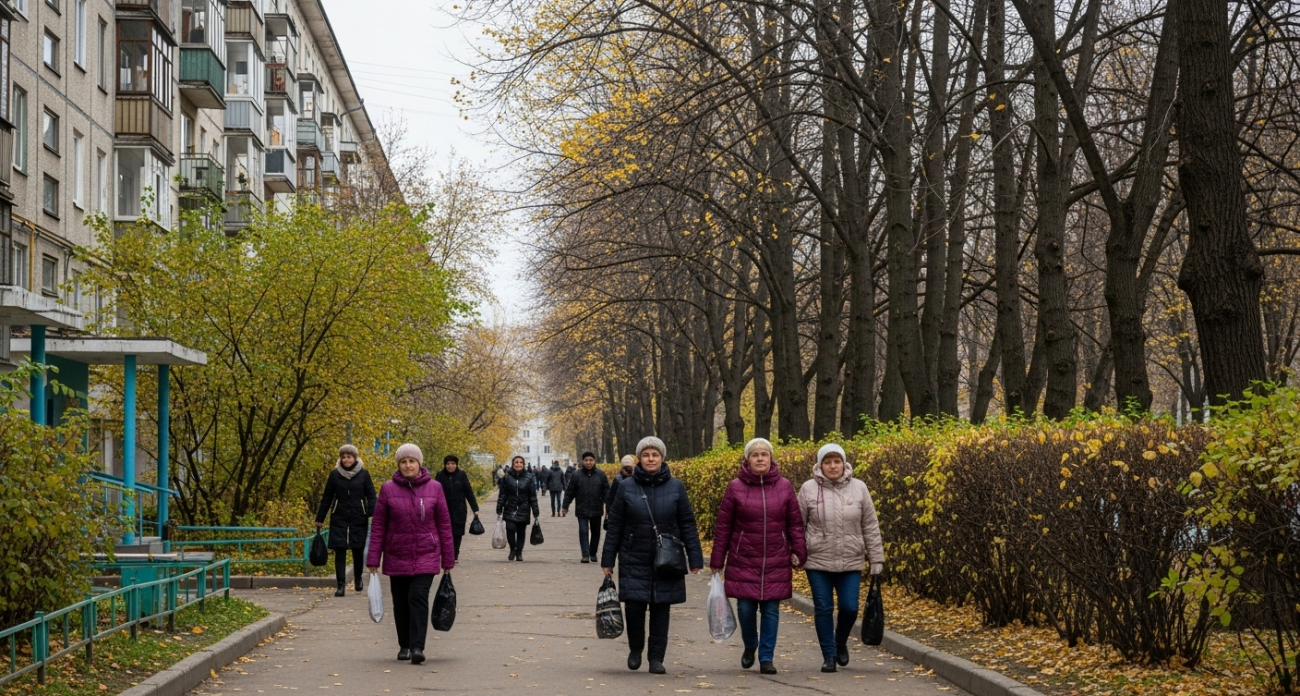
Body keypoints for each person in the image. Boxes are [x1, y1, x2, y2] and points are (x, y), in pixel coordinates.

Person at [602, 437, 704, 675]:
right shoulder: (627, 487)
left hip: (667, 559)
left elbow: (687, 523)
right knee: (634, 608)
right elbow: (615, 525)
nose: (651, 459)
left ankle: (656, 658)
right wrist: (608, 560)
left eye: (655, 455)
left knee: (661, 609)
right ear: (639, 458)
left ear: (662, 458)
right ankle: (636, 649)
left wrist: (695, 557)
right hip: (632, 556)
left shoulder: (676, 487)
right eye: (646, 455)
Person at [710, 438, 807, 675]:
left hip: (776, 558)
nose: (760, 458)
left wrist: (798, 550)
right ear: (747, 460)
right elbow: (724, 526)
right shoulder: (735, 487)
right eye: (755, 455)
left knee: (771, 610)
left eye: (765, 454)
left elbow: (794, 522)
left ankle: (766, 657)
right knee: (745, 609)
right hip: (744, 559)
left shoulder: (784, 486)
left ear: (771, 458)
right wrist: (717, 561)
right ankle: (750, 644)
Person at [797, 443, 885, 673]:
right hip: (818, 560)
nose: (833, 466)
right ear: (820, 465)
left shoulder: (859, 488)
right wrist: (796, 553)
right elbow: (797, 525)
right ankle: (829, 655)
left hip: (851, 559)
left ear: (844, 463)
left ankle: (840, 641)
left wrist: (876, 559)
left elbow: (870, 525)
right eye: (827, 462)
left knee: (849, 608)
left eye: (837, 461)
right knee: (823, 608)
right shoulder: (808, 489)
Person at [366, 444, 455, 666]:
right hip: (397, 553)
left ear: (419, 464)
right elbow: (378, 526)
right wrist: (373, 558)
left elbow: (444, 524)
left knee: (417, 596)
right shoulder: (387, 489)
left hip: (426, 553)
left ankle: (417, 647)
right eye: (403, 462)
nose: (408, 465)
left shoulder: (435, 488)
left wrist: (448, 558)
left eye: (412, 461)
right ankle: (404, 645)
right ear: (398, 465)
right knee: (401, 602)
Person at [315, 444, 377, 597]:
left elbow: (371, 495)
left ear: (355, 458)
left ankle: (358, 579)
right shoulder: (334, 475)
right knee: (339, 551)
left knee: (357, 550)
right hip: (339, 517)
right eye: (343, 457)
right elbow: (327, 497)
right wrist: (320, 518)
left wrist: (371, 512)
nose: (346, 459)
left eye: (349, 457)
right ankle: (340, 585)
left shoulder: (363, 474)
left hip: (358, 517)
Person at [562, 451, 609, 563]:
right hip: (582, 508)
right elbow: (570, 491)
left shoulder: (601, 475)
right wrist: (565, 506)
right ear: (583, 461)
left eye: (591, 460)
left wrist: (609, 508)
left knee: (596, 532)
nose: (588, 463)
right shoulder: (576, 475)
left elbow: (607, 492)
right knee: (583, 531)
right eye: (586, 460)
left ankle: (593, 553)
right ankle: (585, 554)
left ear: (594, 461)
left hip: (596, 508)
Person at [434, 454, 481, 560]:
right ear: (445, 465)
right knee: (445, 533)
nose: (451, 466)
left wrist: (475, 509)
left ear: (456, 464)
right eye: (448, 464)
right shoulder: (440, 476)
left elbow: (468, 492)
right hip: (444, 510)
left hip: (459, 509)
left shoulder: (461, 475)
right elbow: (435, 493)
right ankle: (447, 553)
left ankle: (454, 555)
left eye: (453, 464)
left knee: (457, 533)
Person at [497, 455, 539, 561]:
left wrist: (535, 509)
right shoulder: (507, 477)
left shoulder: (529, 477)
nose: (518, 464)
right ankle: (512, 549)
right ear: (513, 464)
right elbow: (502, 494)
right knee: (510, 529)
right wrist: (499, 506)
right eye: (516, 462)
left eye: (521, 462)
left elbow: (532, 496)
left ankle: (519, 552)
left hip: (523, 507)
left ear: (524, 465)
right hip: (510, 507)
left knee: (521, 531)